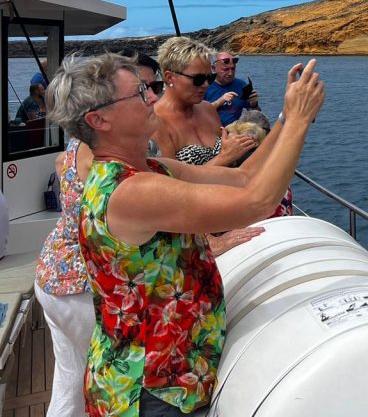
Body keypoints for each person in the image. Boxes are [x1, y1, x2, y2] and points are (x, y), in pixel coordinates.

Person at [46, 52, 324, 416]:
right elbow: (257, 202)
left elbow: (245, 178)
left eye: (148, 88)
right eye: (137, 95)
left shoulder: (150, 170)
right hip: (153, 388)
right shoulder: (131, 192)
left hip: (169, 375)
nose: (152, 99)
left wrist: (287, 118)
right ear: (99, 120)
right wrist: (301, 121)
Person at [34, 52, 162, 417]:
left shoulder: (77, 147)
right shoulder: (107, 160)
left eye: (152, 87)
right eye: (142, 89)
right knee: (111, 384)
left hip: (52, 275)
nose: (151, 97)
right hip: (81, 286)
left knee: (70, 378)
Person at [153, 38, 257, 167]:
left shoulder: (208, 109)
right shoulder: (154, 122)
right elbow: (170, 181)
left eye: (210, 77)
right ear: (169, 77)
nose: (206, 84)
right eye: (198, 79)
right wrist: (224, 158)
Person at [204, 51, 260, 126]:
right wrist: (220, 101)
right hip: (209, 132)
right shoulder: (204, 86)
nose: (230, 73)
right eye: (225, 69)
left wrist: (254, 105)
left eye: (233, 69)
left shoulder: (241, 85)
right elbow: (197, 113)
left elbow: (256, 115)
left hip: (233, 132)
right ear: (214, 68)